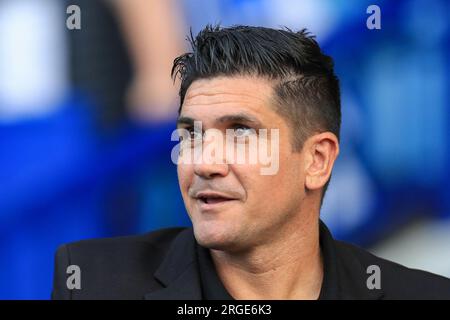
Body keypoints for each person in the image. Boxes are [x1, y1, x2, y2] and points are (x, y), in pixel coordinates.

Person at [52, 25, 450, 300]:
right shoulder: (93, 281)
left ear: (317, 159)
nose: (203, 163)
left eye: (240, 133)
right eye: (190, 136)